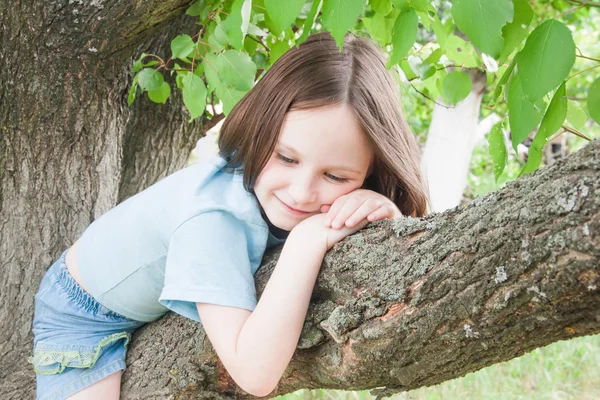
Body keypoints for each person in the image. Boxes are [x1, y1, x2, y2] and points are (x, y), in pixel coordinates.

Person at [29, 31, 428, 399]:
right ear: (258, 129)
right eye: (286, 157)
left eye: (336, 176)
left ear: (373, 171)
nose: (302, 192)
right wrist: (308, 240)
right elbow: (255, 373)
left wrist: (380, 215)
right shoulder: (213, 221)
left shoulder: (279, 193)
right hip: (83, 312)